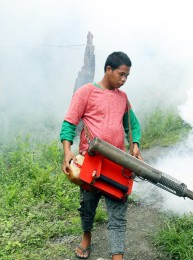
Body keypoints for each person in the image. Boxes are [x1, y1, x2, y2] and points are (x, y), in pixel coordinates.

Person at [60, 51, 142, 260]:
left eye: (127, 76)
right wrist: (67, 150)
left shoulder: (122, 98)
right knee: (88, 206)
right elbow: (69, 123)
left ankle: (117, 256)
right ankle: (86, 237)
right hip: (91, 163)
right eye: (121, 74)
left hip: (117, 164)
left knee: (118, 211)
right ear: (108, 70)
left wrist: (134, 144)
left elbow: (132, 125)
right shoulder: (86, 92)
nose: (124, 80)